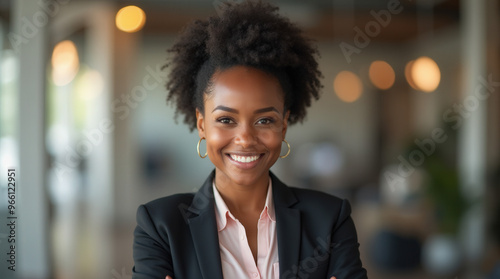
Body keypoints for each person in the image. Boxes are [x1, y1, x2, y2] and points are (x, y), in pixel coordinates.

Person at [132, 1, 368, 278]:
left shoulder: (330, 219)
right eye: (226, 120)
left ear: (284, 125)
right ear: (201, 124)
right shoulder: (160, 226)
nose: (245, 139)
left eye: (264, 120)